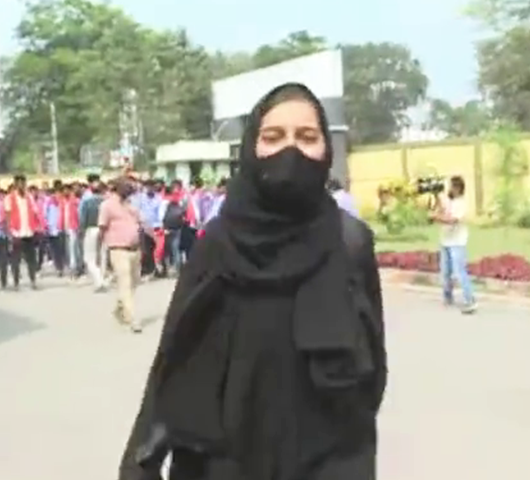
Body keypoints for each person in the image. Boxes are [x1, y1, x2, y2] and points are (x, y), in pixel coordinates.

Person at [118, 83, 386, 480]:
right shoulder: (218, 244)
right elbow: (175, 356)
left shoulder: (349, 242)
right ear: (250, 147)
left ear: (326, 150)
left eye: (307, 137)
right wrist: (141, 461)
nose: (290, 151)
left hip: (328, 457)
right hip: (226, 459)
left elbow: (372, 368)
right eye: (273, 137)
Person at [98, 177, 143, 333]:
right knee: (125, 282)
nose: (129, 189)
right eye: (126, 186)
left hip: (135, 249)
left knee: (134, 282)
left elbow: (140, 224)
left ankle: (120, 307)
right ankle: (132, 319)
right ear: (117, 188)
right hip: (118, 250)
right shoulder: (107, 206)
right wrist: (102, 248)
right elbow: (102, 227)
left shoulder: (131, 206)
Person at [430, 176, 476, 313]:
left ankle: (470, 300)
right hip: (445, 240)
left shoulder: (461, 204)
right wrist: (435, 195)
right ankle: (447, 297)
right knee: (445, 272)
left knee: (460, 271)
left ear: (457, 188)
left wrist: (435, 218)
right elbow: (441, 208)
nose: (449, 189)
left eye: (451, 186)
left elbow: (452, 220)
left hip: (457, 242)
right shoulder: (449, 200)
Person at [3, 174, 41, 290]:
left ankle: (33, 280)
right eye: (18, 183)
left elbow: (35, 212)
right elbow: (7, 215)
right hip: (16, 232)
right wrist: (9, 232)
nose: (21, 185)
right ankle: (16, 282)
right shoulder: (9, 198)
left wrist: (37, 228)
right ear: (15, 184)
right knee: (16, 260)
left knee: (31, 259)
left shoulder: (29, 197)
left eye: (23, 183)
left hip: (29, 232)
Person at [79, 181, 108, 291]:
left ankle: (99, 281)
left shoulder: (87, 202)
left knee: (89, 258)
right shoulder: (106, 202)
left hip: (91, 229)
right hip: (104, 229)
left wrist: (81, 231)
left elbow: (83, 219)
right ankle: (103, 279)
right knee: (103, 256)